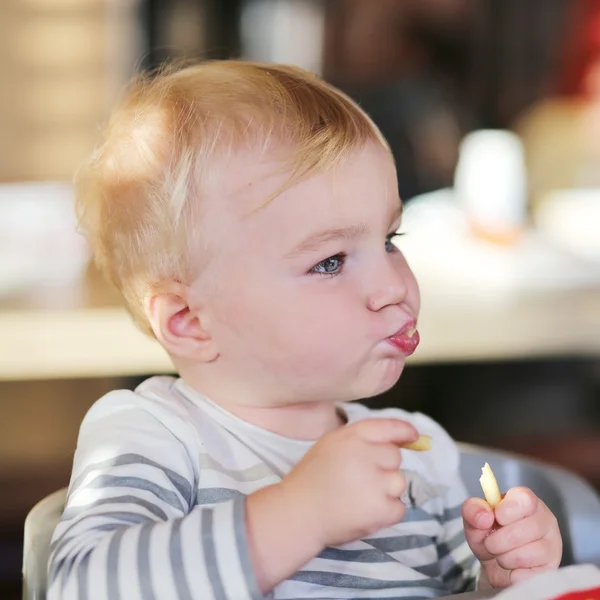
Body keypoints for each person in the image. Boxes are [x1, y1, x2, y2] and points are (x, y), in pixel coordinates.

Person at [48, 60, 562, 599]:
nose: (392, 284)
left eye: (389, 239)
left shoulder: (416, 453)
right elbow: (81, 586)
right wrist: (299, 515)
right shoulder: (158, 436)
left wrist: (503, 576)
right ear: (190, 322)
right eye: (331, 262)